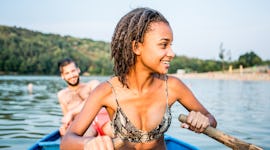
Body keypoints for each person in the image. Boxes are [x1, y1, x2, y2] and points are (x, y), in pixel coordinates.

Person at [61, 7, 217, 150]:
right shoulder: (106, 91)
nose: (172, 53)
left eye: (171, 45)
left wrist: (204, 121)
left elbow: (211, 119)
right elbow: (67, 142)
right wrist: (89, 143)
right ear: (136, 47)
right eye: (164, 45)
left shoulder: (173, 86)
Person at [57, 58, 111, 137]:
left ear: (78, 70)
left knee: (117, 133)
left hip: (102, 120)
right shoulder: (62, 95)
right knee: (85, 136)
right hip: (85, 126)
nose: (71, 75)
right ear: (63, 76)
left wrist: (72, 112)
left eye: (73, 71)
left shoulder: (93, 84)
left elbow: (93, 100)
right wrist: (65, 126)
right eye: (67, 73)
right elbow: (67, 118)